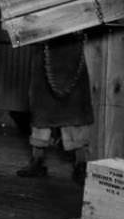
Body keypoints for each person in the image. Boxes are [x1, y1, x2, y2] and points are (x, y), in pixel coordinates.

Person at [16, 34, 93, 183]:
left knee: (74, 113)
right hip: (44, 52)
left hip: (71, 54)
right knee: (41, 113)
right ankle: (37, 161)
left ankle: (81, 164)